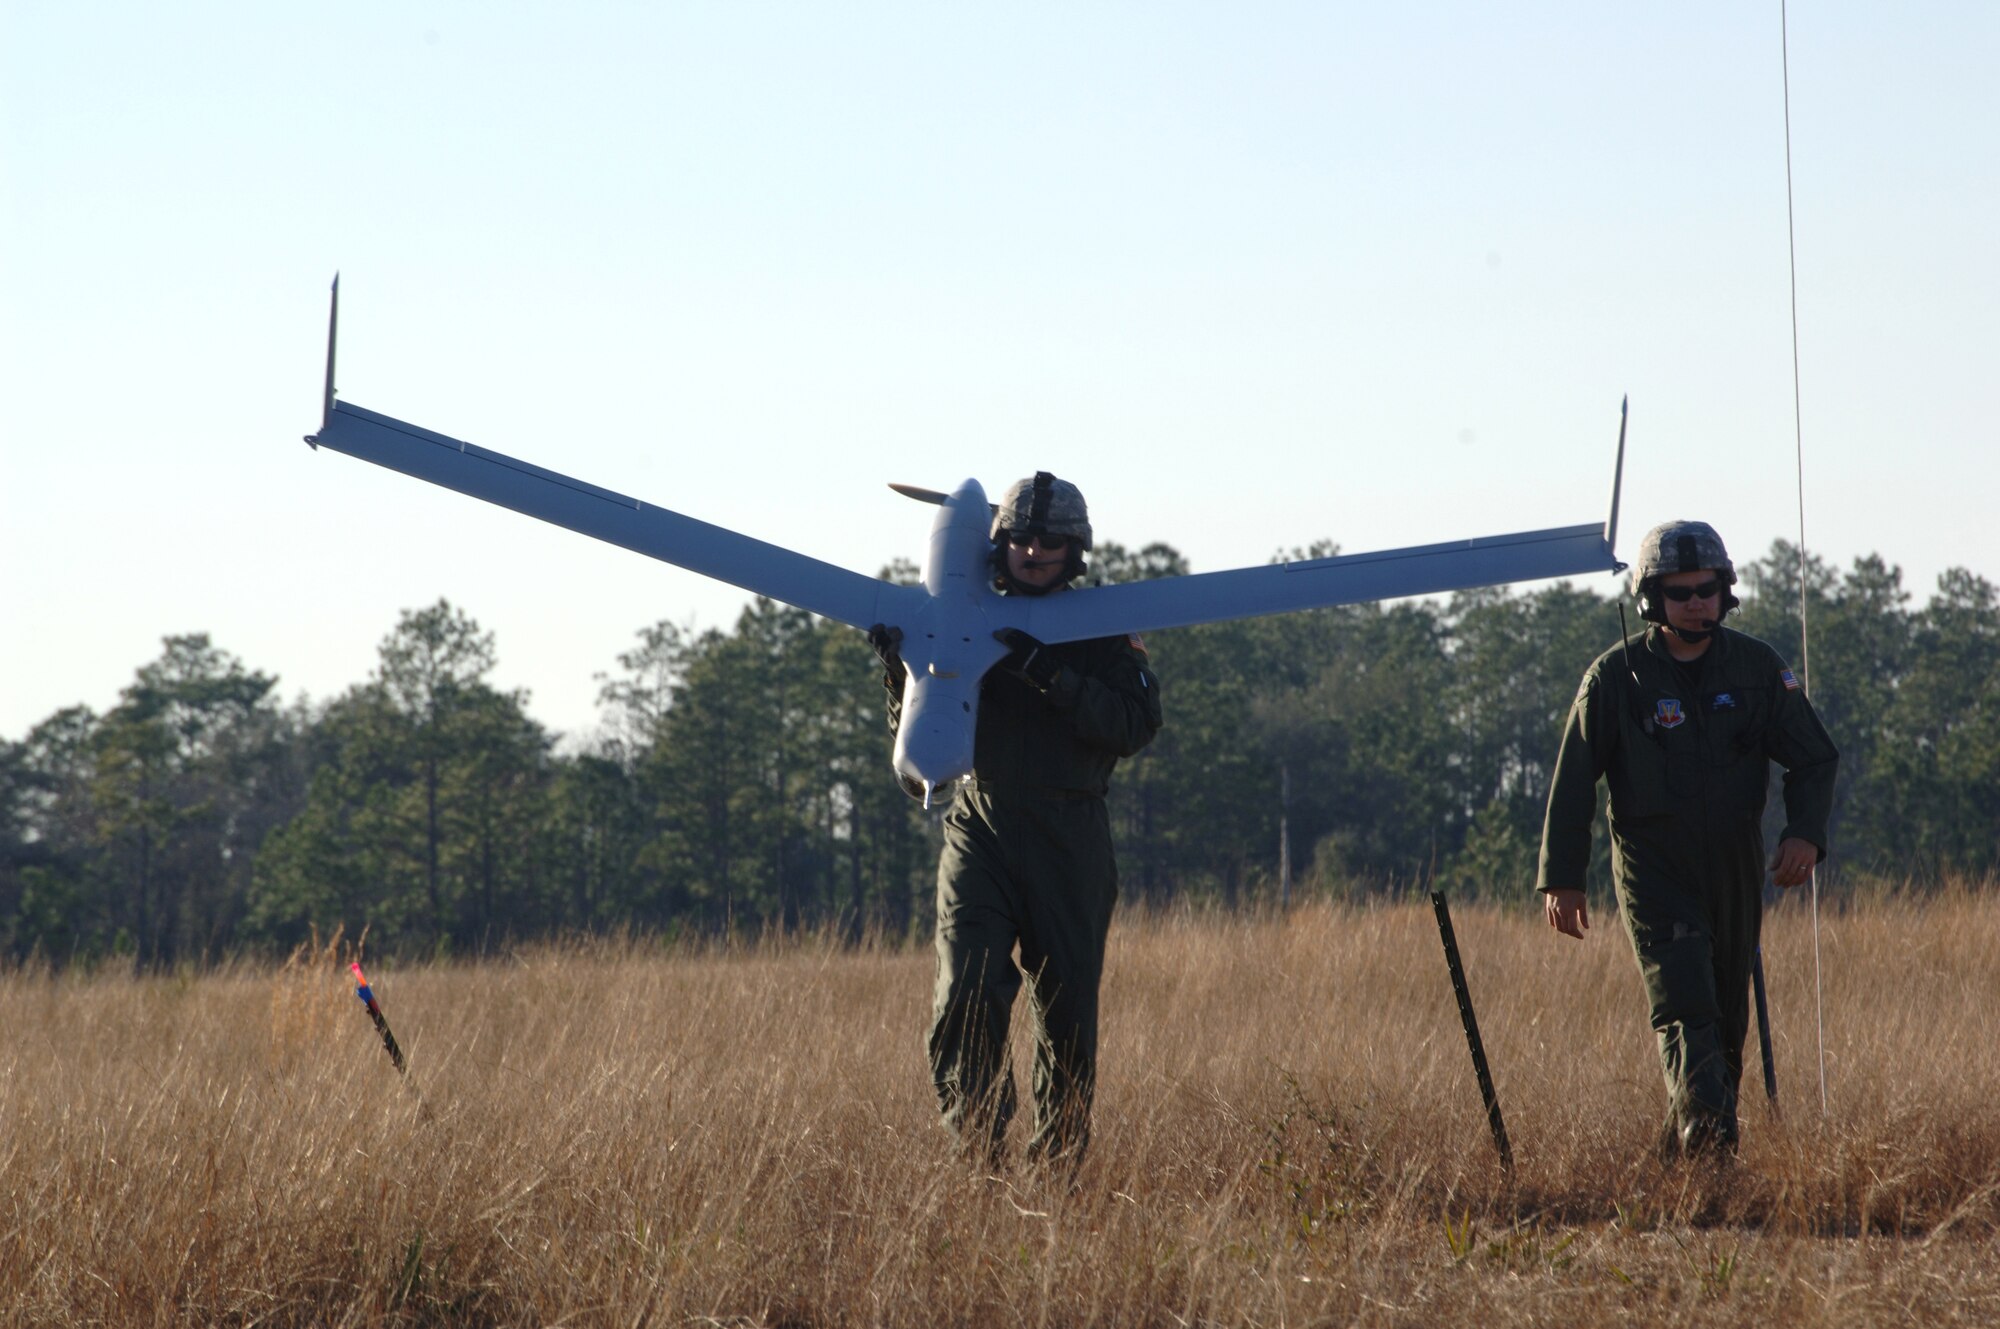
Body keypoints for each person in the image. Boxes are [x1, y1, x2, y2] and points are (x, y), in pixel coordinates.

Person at [869, 472, 1162, 1168]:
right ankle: (973, 1151)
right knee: (963, 990)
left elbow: (1133, 723)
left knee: (1066, 1015)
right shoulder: (967, 620)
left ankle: (1058, 1167)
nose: (1033, 550)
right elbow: (923, 741)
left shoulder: (1103, 635)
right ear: (997, 546)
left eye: (1050, 540)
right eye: (1021, 539)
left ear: (1075, 550)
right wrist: (899, 672)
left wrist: (1051, 676)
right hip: (980, 827)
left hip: (1071, 835)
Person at [1536, 519, 1838, 1158]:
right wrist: (1561, 878)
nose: (1697, 601)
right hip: (1655, 870)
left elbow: (1813, 757)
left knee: (1726, 1021)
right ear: (1651, 599)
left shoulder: (1757, 670)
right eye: (1680, 591)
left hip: (1734, 865)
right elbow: (1573, 782)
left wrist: (1805, 834)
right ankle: (1709, 1150)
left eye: (1708, 587)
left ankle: (1686, 1161)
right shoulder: (1615, 679)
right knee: (1687, 1006)